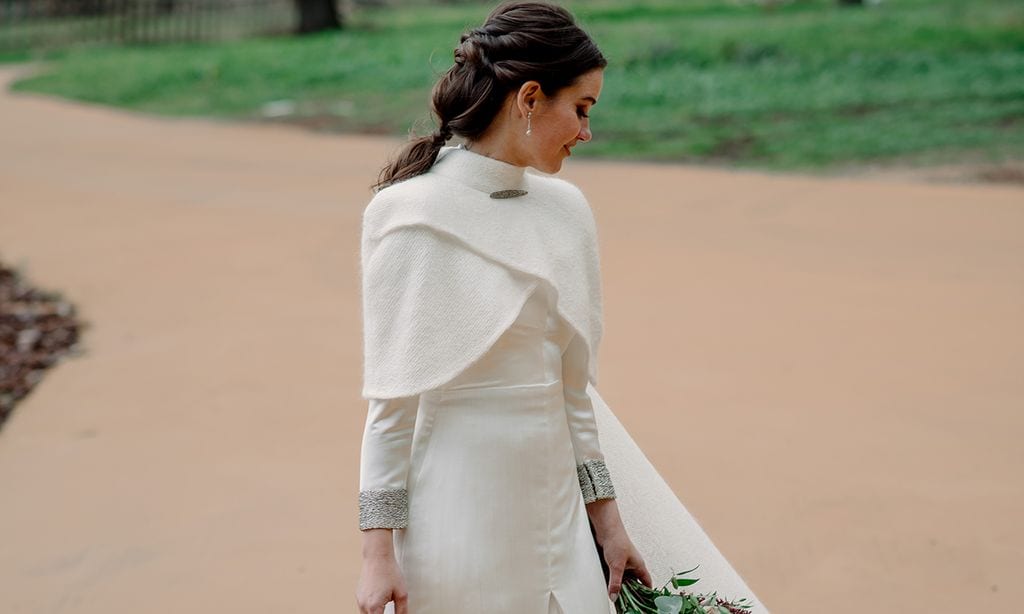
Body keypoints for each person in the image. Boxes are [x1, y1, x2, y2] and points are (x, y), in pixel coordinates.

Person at [356, 3, 769, 614]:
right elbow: (391, 406)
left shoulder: (566, 211)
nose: (586, 132)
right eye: (581, 109)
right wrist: (377, 557)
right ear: (528, 98)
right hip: (457, 517)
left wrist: (608, 524)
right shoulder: (412, 216)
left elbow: (575, 393)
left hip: (561, 518)